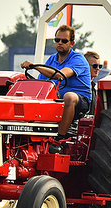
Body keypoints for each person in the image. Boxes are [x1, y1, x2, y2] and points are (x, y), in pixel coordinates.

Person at [20, 25, 91, 153]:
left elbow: (59, 75)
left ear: (72, 43)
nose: (60, 43)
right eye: (57, 40)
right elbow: (42, 82)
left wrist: (34, 66)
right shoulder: (52, 59)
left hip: (79, 102)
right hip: (55, 99)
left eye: (64, 41)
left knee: (69, 96)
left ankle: (58, 139)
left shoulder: (78, 59)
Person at [84, 51, 102, 115]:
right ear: (85, 65)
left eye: (100, 66)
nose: (97, 69)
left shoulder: (95, 89)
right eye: (94, 66)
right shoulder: (79, 86)